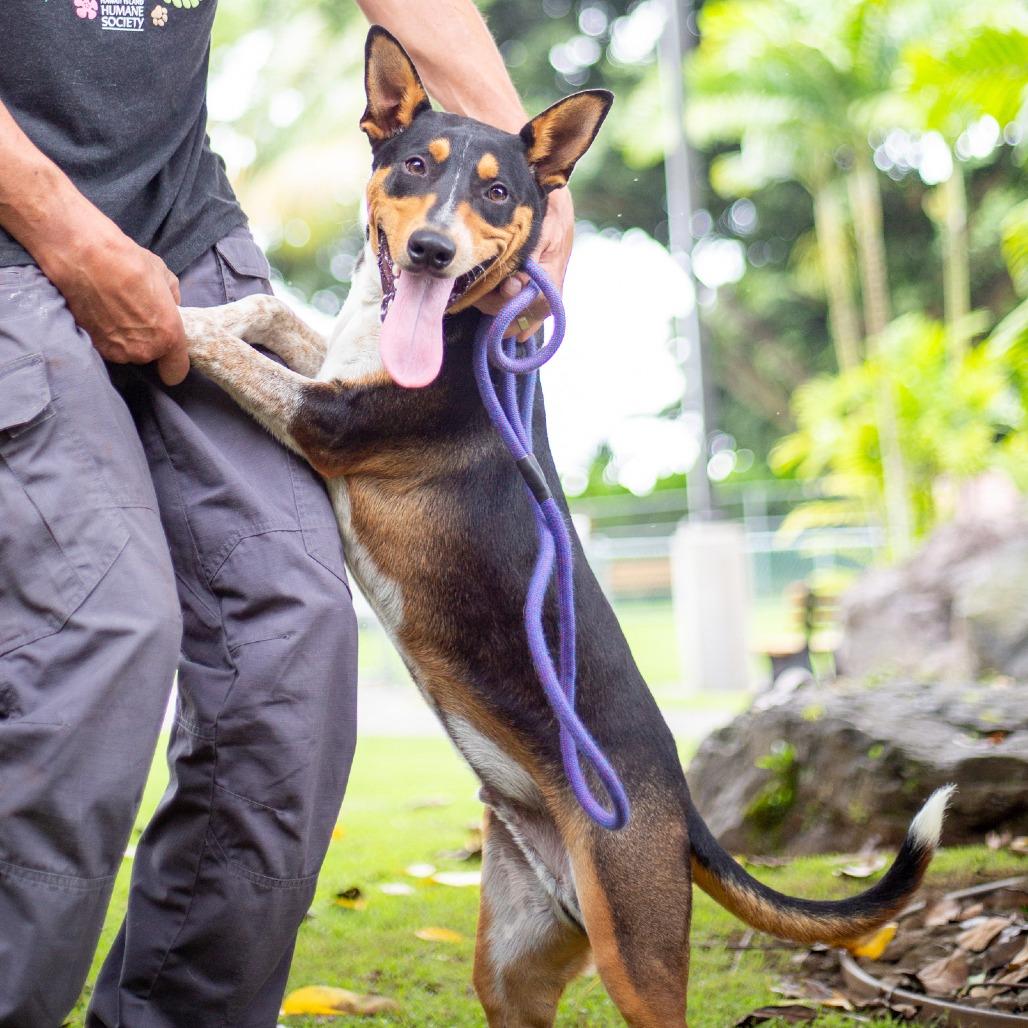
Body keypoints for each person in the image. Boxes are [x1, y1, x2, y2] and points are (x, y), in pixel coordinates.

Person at [0, 0, 574, 1023]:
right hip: (14, 229)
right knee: (103, 627)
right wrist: (72, 240)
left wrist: (541, 200)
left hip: (178, 223)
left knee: (292, 636)